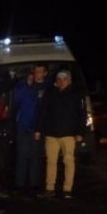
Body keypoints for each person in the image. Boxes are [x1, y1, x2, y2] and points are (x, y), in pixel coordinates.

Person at [34, 69, 86, 199]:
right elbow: (43, 112)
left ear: (69, 80)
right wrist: (39, 129)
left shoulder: (75, 94)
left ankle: (67, 189)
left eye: (64, 79)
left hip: (68, 134)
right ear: (56, 81)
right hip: (51, 134)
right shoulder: (50, 93)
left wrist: (80, 132)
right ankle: (49, 188)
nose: (61, 81)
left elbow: (81, 115)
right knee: (51, 162)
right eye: (59, 79)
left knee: (69, 161)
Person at [12, 64, 49, 196]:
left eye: (40, 71)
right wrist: (26, 84)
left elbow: (44, 111)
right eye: (35, 71)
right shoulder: (25, 86)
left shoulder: (48, 88)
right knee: (21, 156)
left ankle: (34, 184)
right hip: (23, 127)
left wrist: (39, 128)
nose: (37, 74)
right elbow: (17, 100)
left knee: (35, 158)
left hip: (37, 128)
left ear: (45, 73)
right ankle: (20, 184)